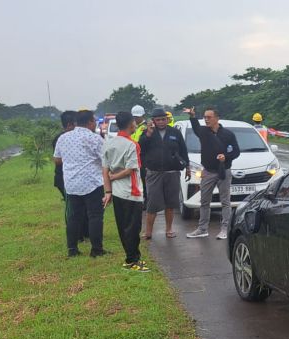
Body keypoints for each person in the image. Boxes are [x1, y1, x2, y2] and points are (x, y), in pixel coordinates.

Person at [53, 110, 108, 257]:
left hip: (71, 184)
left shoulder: (63, 138)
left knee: (73, 217)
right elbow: (106, 160)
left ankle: (72, 249)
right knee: (95, 216)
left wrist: (71, 161)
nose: (95, 123)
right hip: (92, 183)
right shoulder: (94, 138)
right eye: (94, 121)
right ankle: (96, 250)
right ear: (90, 122)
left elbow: (57, 159)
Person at [183, 106, 239, 239]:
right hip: (207, 171)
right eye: (205, 117)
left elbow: (236, 151)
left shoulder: (228, 134)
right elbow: (196, 126)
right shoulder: (203, 132)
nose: (206, 120)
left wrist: (226, 156)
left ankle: (225, 229)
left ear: (216, 118)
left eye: (209, 117)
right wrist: (192, 116)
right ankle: (202, 229)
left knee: (225, 201)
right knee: (204, 201)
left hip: (223, 171)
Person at [102, 112, 148, 271]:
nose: (136, 125)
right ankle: (132, 261)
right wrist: (115, 176)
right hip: (131, 191)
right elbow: (130, 169)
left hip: (117, 192)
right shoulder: (132, 144)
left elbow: (104, 170)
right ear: (131, 125)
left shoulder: (108, 143)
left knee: (123, 226)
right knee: (133, 228)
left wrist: (108, 191)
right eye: (134, 123)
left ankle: (131, 258)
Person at [137, 108, 190, 239]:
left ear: (167, 119)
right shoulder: (147, 133)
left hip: (172, 172)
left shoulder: (175, 132)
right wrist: (148, 134)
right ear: (153, 121)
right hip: (154, 173)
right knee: (152, 203)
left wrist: (187, 166)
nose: (161, 122)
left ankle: (169, 229)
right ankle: (148, 231)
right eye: (158, 120)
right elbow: (140, 148)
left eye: (163, 119)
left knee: (170, 203)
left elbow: (183, 151)